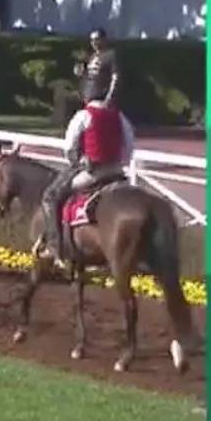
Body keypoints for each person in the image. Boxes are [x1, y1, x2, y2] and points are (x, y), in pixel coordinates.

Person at [40, 29, 134, 260]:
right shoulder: (120, 117)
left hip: (92, 172)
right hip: (117, 171)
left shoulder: (83, 116)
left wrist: (78, 161)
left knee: (50, 196)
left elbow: (69, 148)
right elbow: (129, 148)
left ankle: (54, 247)